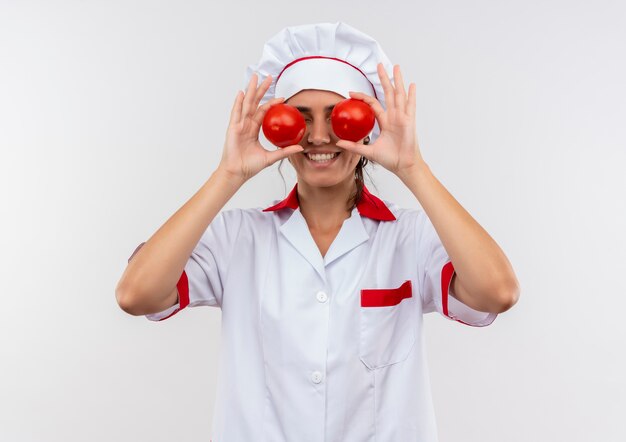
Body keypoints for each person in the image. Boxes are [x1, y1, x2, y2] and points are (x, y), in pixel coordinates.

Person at [115, 22, 520, 442]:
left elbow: (498, 292)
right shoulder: (237, 237)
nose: (320, 136)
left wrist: (414, 169)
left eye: (341, 118)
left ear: (367, 128)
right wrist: (228, 174)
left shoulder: (410, 237)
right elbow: (135, 294)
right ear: (277, 125)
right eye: (300, 119)